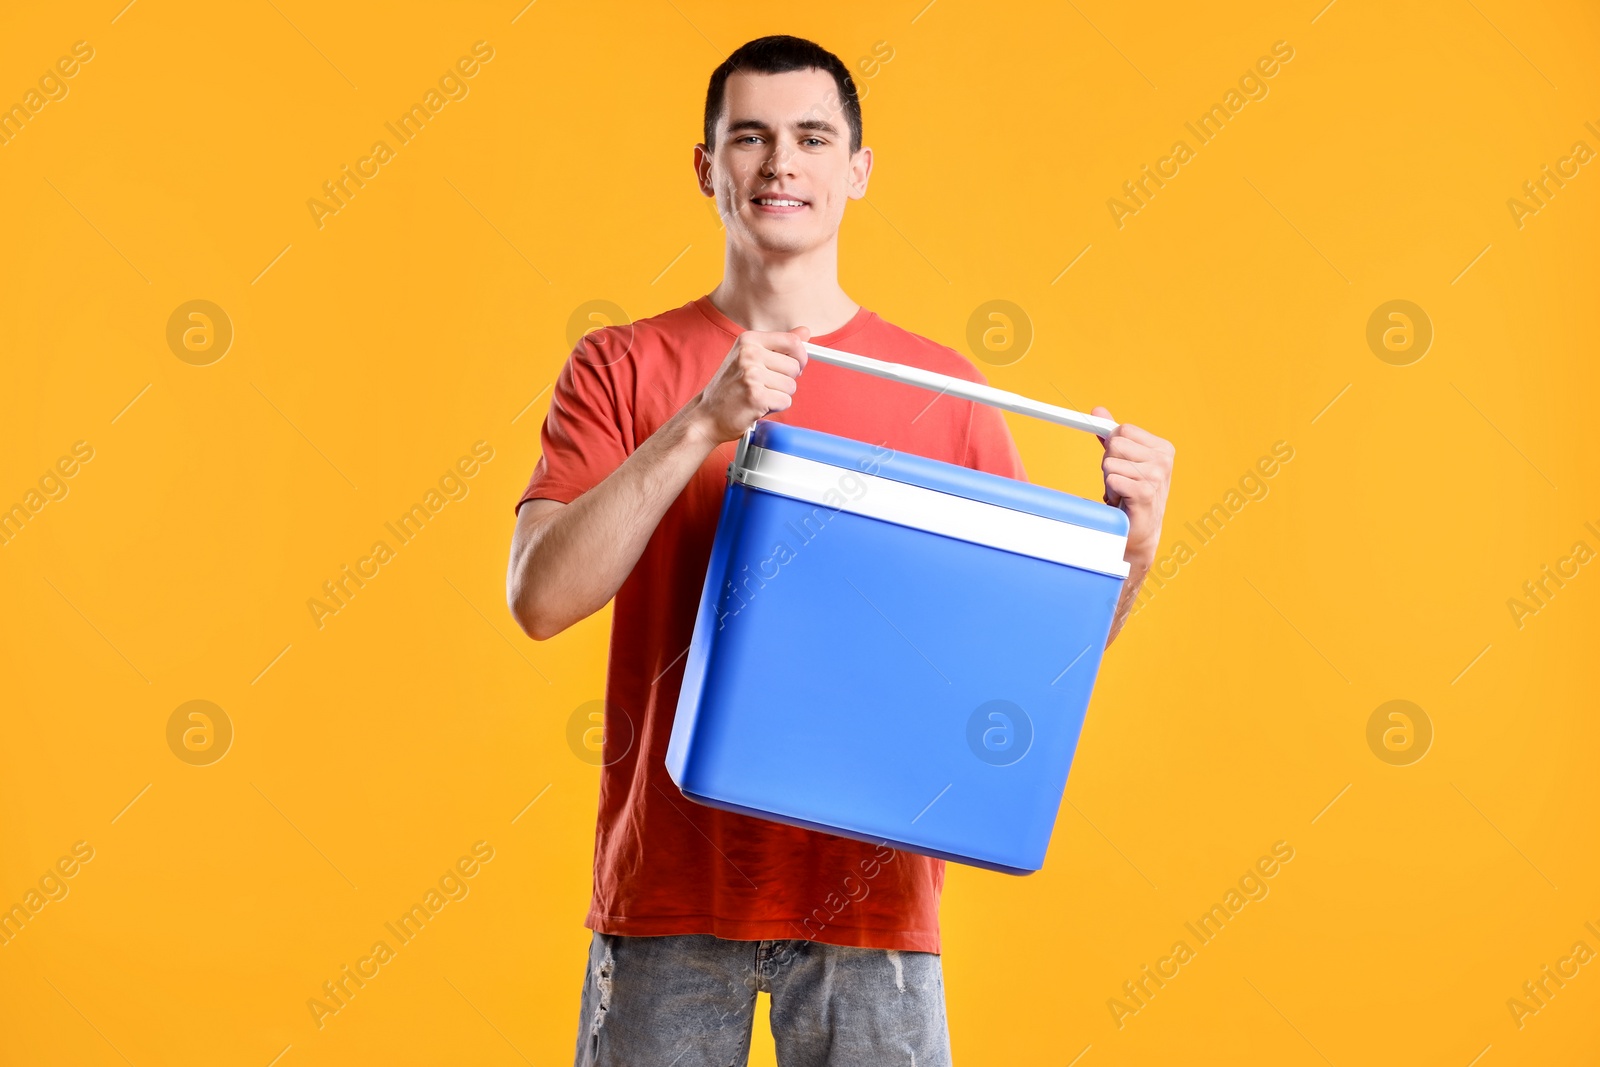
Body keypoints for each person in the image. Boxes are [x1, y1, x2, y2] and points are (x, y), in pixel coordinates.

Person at [505, 33, 1174, 1067]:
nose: (781, 164)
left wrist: (1133, 547)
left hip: (875, 909)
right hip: (667, 897)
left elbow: (1032, 674)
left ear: (855, 170)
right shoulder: (622, 364)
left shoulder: (942, 391)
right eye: (751, 138)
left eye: (812, 137)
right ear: (706, 166)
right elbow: (540, 597)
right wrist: (697, 425)